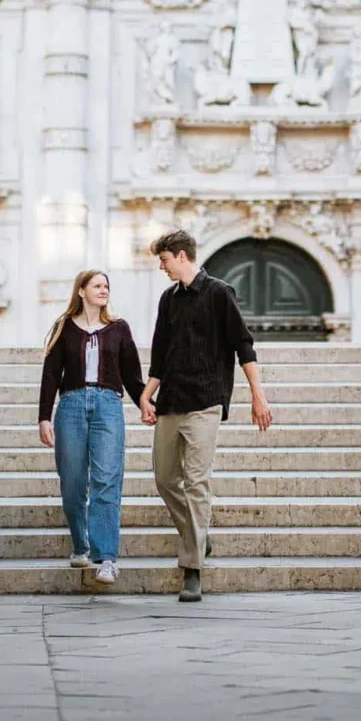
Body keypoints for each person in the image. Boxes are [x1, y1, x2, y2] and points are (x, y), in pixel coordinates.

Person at [140, 230, 272, 603]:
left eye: (164, 260)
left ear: (181, 256)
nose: (161, 267)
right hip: (171, 401)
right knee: (165, 479)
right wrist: (147, 396)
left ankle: (193, 569)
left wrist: (257, 397)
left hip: (205, 403)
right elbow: (160, 354)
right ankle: (199, 537)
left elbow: (243, 346)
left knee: (196, 481)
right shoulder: (168, 300)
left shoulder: (219, 293)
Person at [38, 270, 144, 586]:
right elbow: (50, 374)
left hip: (108, 406)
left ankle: (106, 558)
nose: (103, 290)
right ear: (81, 290)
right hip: (70, 406)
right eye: (97, 285)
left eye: (106, 286)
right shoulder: (64, 327)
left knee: (107, 480)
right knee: (72, 483)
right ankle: (81, 544)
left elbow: (133, 376)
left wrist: (147, 405)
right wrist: (44, 416)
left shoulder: (119, 329)